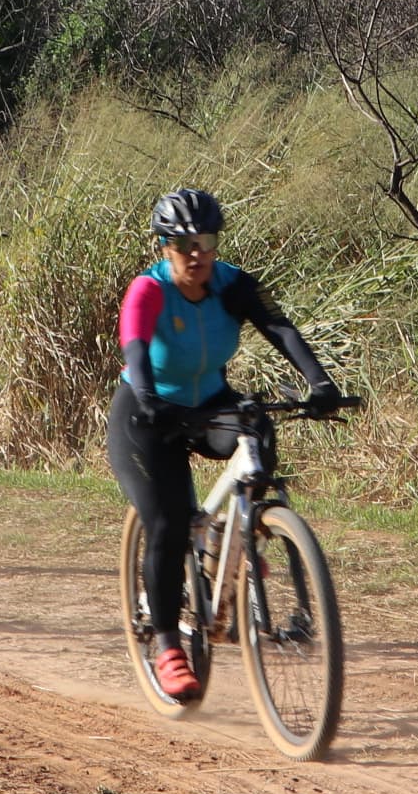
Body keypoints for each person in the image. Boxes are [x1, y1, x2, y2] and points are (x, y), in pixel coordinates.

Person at [109, 188, 345, 701]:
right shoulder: (148, 291)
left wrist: (319, 383)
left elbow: (278, 327)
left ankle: (243, 536)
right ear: (164, 246)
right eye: (184, 244)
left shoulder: (232, 283)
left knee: (258, 430)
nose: (197, 254)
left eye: (206, 241)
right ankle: (169, 644)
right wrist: (148, 398)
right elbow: (135, 345)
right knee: (169, 521)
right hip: (146, 414)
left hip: (210, 401)